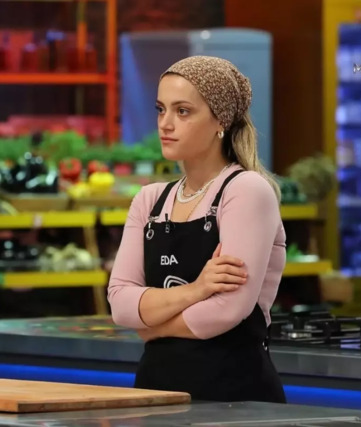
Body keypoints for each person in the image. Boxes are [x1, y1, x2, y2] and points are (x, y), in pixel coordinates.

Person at [107, 56, 287, 403]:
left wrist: (151, 326)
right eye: (161, 110)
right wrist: (197, 289)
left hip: (235, 399)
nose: (166, 124)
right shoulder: (149, 200)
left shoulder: (246, 190)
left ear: (221, 120)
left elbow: (227, 310)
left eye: (183, 111)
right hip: (155, 395)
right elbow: (120, 304)